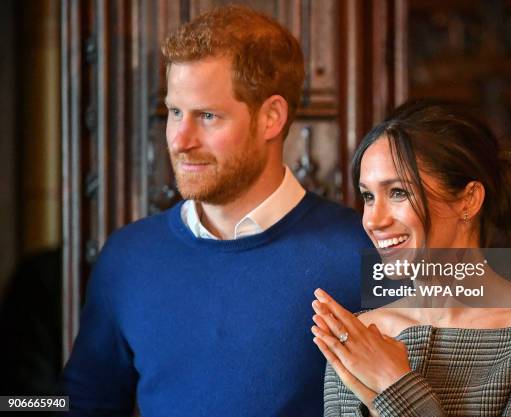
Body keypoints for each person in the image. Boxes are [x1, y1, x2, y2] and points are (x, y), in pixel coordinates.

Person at [62, 6, 372, 417]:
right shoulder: (128, 256)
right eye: (175, 112)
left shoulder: (365, 250)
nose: (180, 140)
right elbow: (77, 402)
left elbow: (479, 295)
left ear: (271, 117)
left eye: (207, 116)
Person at [311, 101, 511, 417]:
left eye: (398, 193)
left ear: (468, 200)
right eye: (368, 196)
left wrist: (395, 385)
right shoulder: (359, 335)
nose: (373, 220)